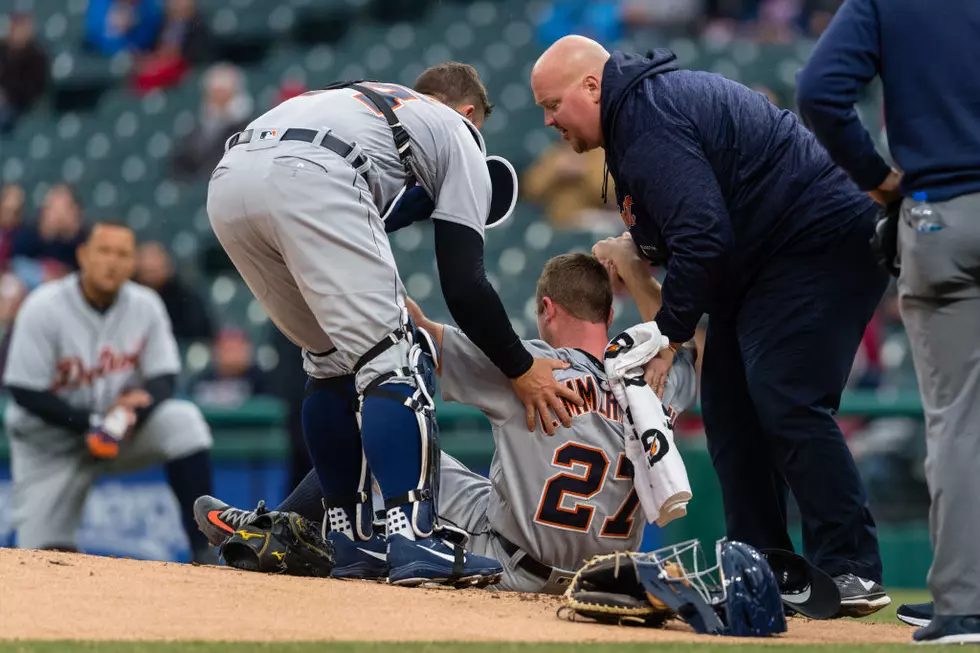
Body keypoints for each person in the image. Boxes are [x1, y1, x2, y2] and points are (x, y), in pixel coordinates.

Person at [530, 34, 891, 617]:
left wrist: (668, 332)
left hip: (816, 241)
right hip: (766, 258)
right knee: (728, 405)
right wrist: (637, 252)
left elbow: (704, 236)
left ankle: (850, 567)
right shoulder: (637, 121)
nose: (548, 120)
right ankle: (763, 566)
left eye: (552, 104)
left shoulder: (645, 120)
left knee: (784, 394)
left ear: (592, 87)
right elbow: (696, 229)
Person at [205, 63, 582, 588]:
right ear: (469, 113)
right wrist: (520, 367)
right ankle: (413, 538)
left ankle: (349, 540)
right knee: (398, 359)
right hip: (314, 172)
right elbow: (465, 286)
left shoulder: (368, 104)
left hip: (230, 178)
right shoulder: (459, 133)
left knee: (331, 360)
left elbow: (373, 221)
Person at [194, 253, 699, 592]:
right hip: (599, 583)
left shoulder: (530, 366)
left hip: (514, 564)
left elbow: (418, 330)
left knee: (380, 446)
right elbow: (688, 344)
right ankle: (300, 539)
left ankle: (269, 529)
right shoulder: (653, 383)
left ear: (547, 307)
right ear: (608, 312)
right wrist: (634, 267)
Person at [796, 0, 980, 643]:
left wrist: (879, 181)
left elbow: (820, 91)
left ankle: (965, 604)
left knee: (959, 419)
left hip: (942, 213)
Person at [2, 221, 216, 563]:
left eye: (122, 254)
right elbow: (24, 389)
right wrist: (93, 420)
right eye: (103, 251)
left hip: (119, 435)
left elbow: (163, 376)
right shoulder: (43, 306)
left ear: (133, 264)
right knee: (41, 554)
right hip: (51, 445)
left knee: (184, 421)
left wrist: (127, 415)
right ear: (83, 255)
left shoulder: (145, 304)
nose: (112, 262)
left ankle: (203, 547)